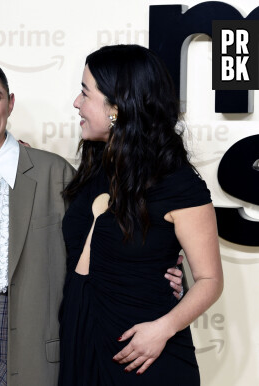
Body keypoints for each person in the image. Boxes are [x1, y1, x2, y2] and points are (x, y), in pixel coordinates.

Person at [0, 58, 185, 386]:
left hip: (18, 330)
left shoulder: (55, 173)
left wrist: (161, 278)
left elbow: (104, 248)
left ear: (10, 104)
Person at [58, 44, 223, 385]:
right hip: (81, 344)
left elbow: (210, 281)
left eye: (85, 93)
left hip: (144, 357)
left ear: (117, 107)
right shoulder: (94, 170)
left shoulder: (177, 184)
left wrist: (163, 329)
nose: (77, 102)